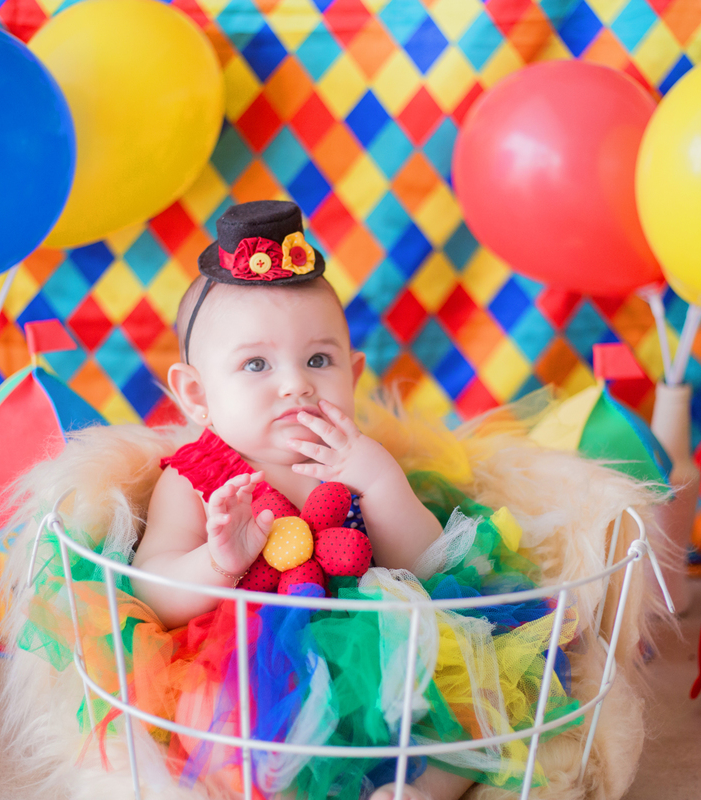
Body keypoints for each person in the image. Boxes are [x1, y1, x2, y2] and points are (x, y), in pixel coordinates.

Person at [126, 200, 573, 800]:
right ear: (196, 393)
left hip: (382, 644)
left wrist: (380, 482)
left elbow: (425, 563)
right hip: (252, 665)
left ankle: (417, 790)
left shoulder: (356, 460)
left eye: (319, 359)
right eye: (256, 364)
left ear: (354, 374)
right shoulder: (196, 478)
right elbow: (149, 586)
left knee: (466, 703)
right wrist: (216, 561)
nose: (296, 383)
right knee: (214, 727)